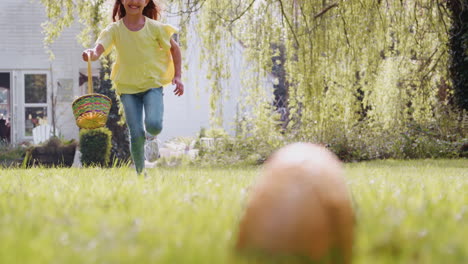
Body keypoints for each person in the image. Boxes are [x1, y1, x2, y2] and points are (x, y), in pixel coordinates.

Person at [82, 0, 184, 175]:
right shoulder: (114, 30)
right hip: (127, 88)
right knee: (136, 133)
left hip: (151, 84)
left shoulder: (155, 28)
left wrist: (178, 76)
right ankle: (140, 172)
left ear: (146, 2)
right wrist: (91, 54)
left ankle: (151, 137)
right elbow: (98, 50)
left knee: (154, 124)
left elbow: (175, 49)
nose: (134, 2)